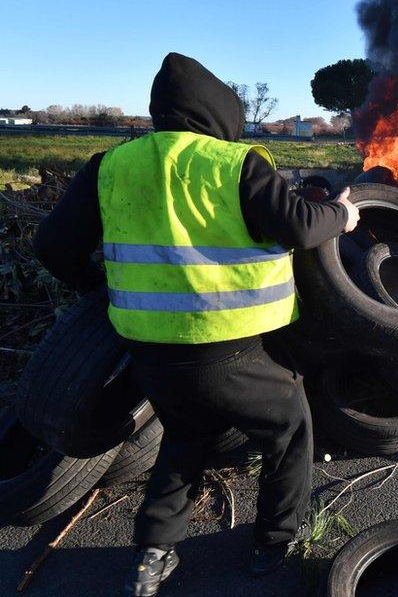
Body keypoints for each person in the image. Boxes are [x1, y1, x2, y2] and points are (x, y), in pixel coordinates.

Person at [33, 52, 360, 596]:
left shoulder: (109, 166)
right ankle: (275, 543)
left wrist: (101, 289)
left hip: (152, 355)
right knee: (289, 427)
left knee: (187, 435)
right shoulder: (236, 163)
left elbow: (52, 247)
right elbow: (302, 227)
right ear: (219, 111)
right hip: (228, 349)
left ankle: (152, 555)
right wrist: (343, 215)